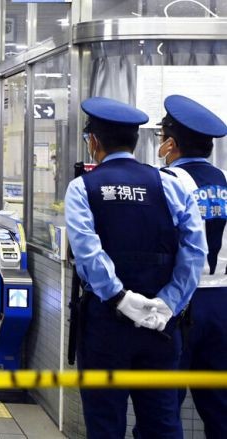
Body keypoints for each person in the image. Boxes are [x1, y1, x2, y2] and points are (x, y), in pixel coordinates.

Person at [64, 97, 206, 438]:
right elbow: (194, 251)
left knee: (104, 420)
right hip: (161, 325)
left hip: (104, 324)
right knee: (161, 420)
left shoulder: (83, 187)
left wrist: (120, 299)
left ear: (94, 142)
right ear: (136, 142)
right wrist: (169, 303)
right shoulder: (173, 184)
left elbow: (87, 251)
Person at [156, 95, 227, 439]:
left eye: (161, 138)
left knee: (164, 404)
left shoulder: (167, 182)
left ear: (171, 144)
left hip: (180, 304)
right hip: (223, 303)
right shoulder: (226, 180)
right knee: (220, 403)